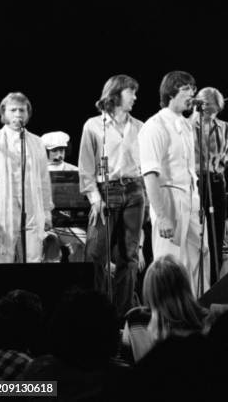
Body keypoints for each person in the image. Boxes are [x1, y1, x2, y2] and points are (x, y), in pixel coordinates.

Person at [138, 71, 210, 298]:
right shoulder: (155, 126)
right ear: (171, 92)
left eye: (193, 88)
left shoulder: (185, 124)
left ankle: (198, 306)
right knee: (169, 261)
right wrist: (162, 216)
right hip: (169, 197)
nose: (192, 93)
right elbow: (150, 175)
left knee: (200, 253)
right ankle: (167, 313)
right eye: (186, 89)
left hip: (191, 197)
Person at [78, 74, 145, 318]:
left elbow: (145, 166)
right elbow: (86, 167)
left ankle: (122, 315)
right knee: (95, 254)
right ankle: (94, 313)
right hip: (107, 191)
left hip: (135, 190)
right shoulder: (94, 126)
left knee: (130, 256)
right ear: (116, 94)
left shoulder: (139, 126)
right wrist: (95, 198)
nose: (135, 97)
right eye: (131, 92)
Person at [0, 92, 53, 267]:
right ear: (3, 113)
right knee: (0, 266)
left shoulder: (37, 143)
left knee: (33, 263)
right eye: (13, 110)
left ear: (28, 113)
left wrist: (47, 212)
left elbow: (44, 181)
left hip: (32, 213)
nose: (18, 115)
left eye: (22, 110)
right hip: (2, 215)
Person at [193, 87, 228, 283]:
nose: (213, 114)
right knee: (195, 234)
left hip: (216, 182)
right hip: (194, 183)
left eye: (216, 111)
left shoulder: (225, 127)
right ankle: (196, 281)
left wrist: (225, 157)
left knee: (216, 235)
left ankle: (214, 281)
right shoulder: (187, 126)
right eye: (210, 110)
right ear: (202, 105)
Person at [122, 254, 207, 362]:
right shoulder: (204, 321)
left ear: (149, 288)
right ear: (185, 286)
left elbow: (127, 360)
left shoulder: (134, 320)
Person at [40, 130, 86, 262]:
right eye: (55, 150)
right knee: (50, 244)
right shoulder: (37, 172)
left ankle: (78, 279)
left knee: (80, 243)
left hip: (68, 224)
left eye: (62, 150)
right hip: (45, 225)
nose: (60, 154)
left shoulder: (75, 171)